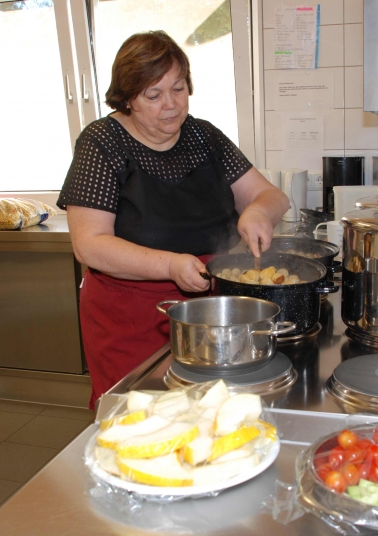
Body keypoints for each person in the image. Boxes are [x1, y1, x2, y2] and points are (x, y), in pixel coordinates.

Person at [58, 31, 289, 409]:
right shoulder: (102, 143)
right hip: (130, 319)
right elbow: (90, 244)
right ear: (128, 98)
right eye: (153, 95)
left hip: (211, 313)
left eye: (179, 89)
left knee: (207, 413)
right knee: (136, 418)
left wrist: (259, 211)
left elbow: (272, 195)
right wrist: (170, 264)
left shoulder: (203, 136)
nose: (171, 105)